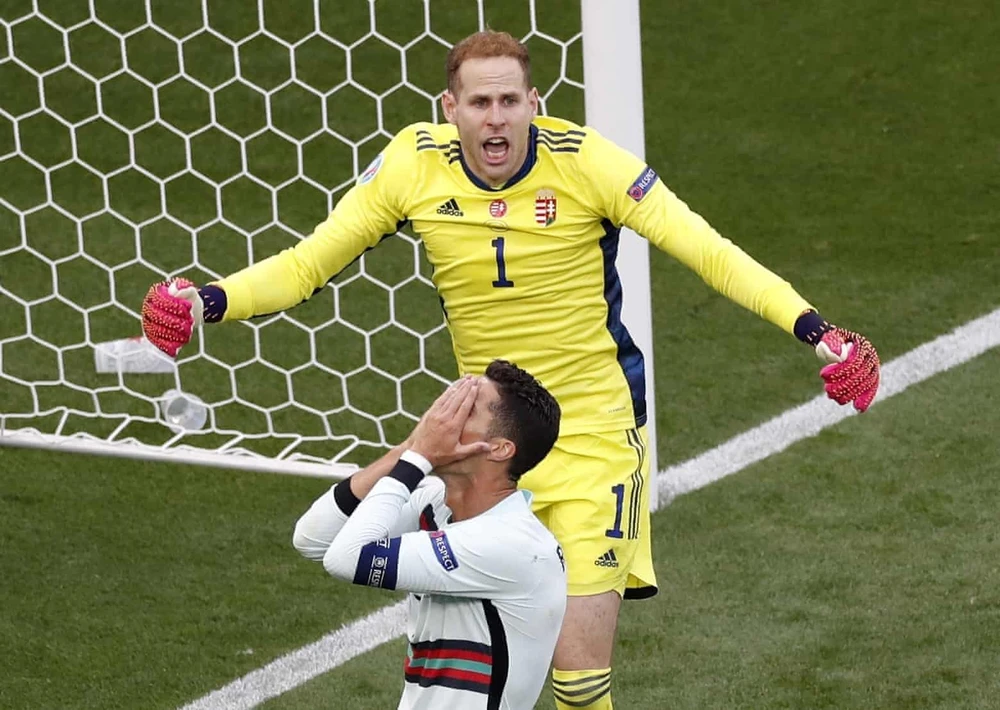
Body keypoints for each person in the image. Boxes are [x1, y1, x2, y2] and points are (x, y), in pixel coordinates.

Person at [141, 30, 881, 710]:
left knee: (579, 680)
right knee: (472, 668)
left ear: (534, 103)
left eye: (508, 102)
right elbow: (307, 265)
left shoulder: (586, 162)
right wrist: (208, 301)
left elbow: (708, 250)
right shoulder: (412, 165)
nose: (495, 120)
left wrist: (816, 330)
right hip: (486, 446)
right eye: (479, 103)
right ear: (450, 108)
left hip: (594, 439)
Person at [293, 360, 566, 709]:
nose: (441, 421)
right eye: (449, 403)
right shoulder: (435, 501)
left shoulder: (511, 544)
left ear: (500, 449)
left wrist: (418, 456)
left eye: (465, 410)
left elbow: (346, 559)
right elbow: (313, 538)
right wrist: (409, 447)